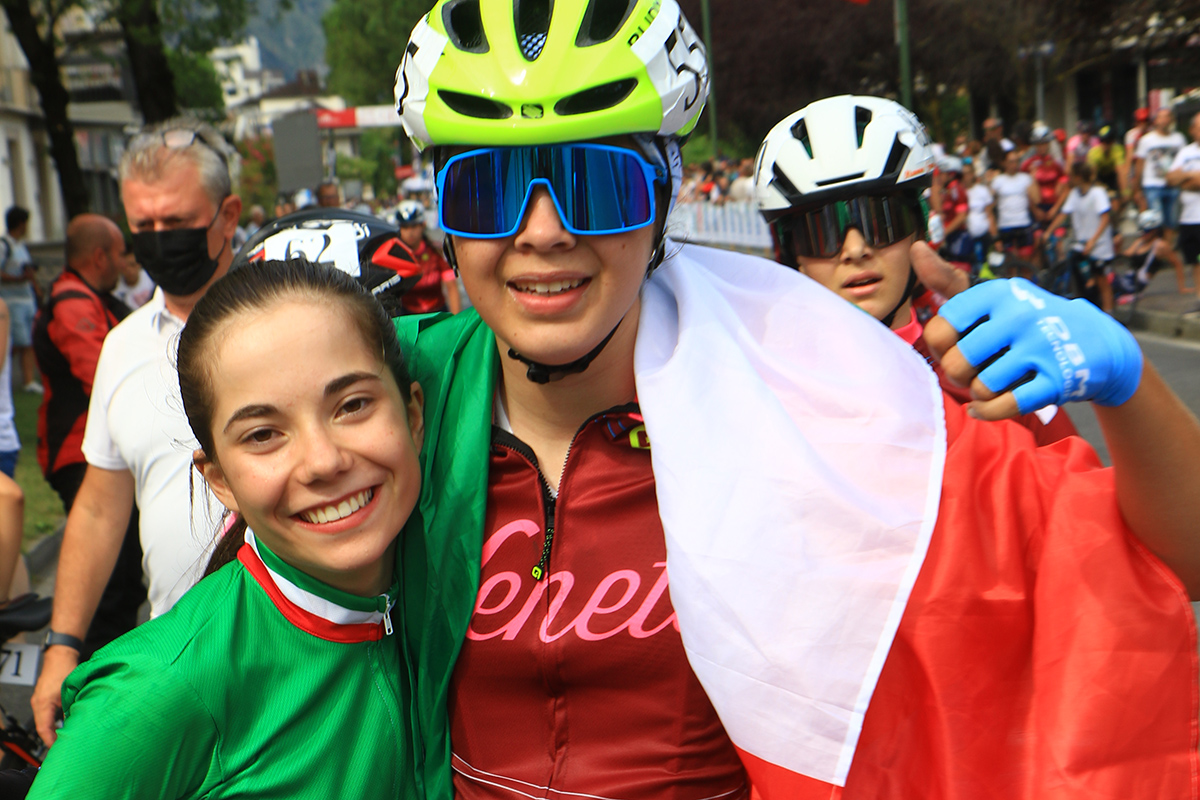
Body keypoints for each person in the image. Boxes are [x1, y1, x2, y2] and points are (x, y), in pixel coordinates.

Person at [395, 5, 1200, 799]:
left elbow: (1172, 564)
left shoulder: (825, 400)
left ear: (664, 201)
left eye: (595, 184)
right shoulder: (385, 405)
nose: (543, 231)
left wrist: (1131, 389)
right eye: (485, 190)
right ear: (445, 221)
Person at [26, 258, 423, 799]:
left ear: (413, 415)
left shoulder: (461, 604)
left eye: (352, 405)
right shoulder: (156, 688)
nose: (323, 461)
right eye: (262, 434)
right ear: (220, 481)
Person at [30, 120, 240, 745]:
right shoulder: (122, 348)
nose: (159, 239)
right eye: (142, 226)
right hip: (176, 662)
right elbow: (100, 508)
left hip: (297, 652)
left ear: (227, 216)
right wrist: (62, 645)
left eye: (176, 221)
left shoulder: (288, 320)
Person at [755, 96, 1076, 445]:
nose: (855, 250)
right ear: (793, 257)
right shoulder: (766, 393)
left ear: (920, 231)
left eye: (881, 221)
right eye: (822, 233)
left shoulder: (994, 373)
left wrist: (1118, 397)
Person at [33, 214, 145, 652]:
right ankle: (94, 677)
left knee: (124, 581)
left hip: (95, 451)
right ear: (99, 257)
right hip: (80, 453)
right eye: (118, 254)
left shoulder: (88, 298)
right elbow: (102, 375)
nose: (123, 262)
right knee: (111, 585)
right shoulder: (73, 303)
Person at [1047, 161, 1116, 312]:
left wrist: (1093, 240)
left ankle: (1109, 313)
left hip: (1099, 246)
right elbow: (1063, 215)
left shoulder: (1097, 193)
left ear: (1078, 177)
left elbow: (1105, 218)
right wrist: (1049, 232)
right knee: (1081, 281)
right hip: (1081, 245)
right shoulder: (1074, 194)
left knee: (1101, 281)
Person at [0, 206, 41, 393]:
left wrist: (34, 286)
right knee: (18, 342)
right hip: (12, 301)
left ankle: (28, 380)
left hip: (26, 298)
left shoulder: (20, 246)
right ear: (21, 223)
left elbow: (28, 272)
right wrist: (18, 279)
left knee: (27, 341)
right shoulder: (4, 246)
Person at [396, 199, 462, 314]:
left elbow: (452, 288)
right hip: (407, 315)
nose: (410, 232)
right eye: (405, 227)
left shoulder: (436, 252)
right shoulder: (394, 255)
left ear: (423, 225)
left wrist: (456, 319)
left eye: (414, 226)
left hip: (437, 313)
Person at [1133, 106, 1186, 243]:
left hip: (1173, 185)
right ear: (1156, 120)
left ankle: (1167, 248)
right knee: (1155, 221)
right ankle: (1155, 248)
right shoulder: (1146, 140)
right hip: (1152, 184)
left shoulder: (1179, 139)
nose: (1164, 120)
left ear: (1172, 120)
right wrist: (1137, 188)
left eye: (1167, 116)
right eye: (1161, 117)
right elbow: (1139, 164)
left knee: (1171, 221)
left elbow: (1184, 162)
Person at [1166, 110, 1200, 296]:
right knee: (1195, 261)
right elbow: (1171, 178)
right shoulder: (1185, 152)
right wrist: (1191, 176)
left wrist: (1184, 177)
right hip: (1188, 218)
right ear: (1192, 130)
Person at [990, 149, 1040, 272]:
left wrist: (1033, 179)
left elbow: (1037, 199)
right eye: (1011, 161)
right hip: (1006, 225)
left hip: (1023, 223)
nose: (1014, 164)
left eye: (1016, 161)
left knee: (1026, 264)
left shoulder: (1025, 178)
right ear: (1004, 163)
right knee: (1010, 266)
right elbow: (989, 205)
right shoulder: (998, 181)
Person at [1121, 208, 1188, 295]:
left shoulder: (1160, 246)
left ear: (1155, 230)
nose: (1143, 234)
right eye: (1140, 230)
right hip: (1127, 278)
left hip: (1137, 284)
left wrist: (1182, 287)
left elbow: (1177, 264)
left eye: (1146, 231)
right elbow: (1123, 257)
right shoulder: (1139, 242)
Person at [110, 238, 156, 310]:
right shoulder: (116, 290)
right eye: (124, 267)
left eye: (132, 265)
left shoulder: (152, 278)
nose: (129, 270)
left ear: (139, 264)